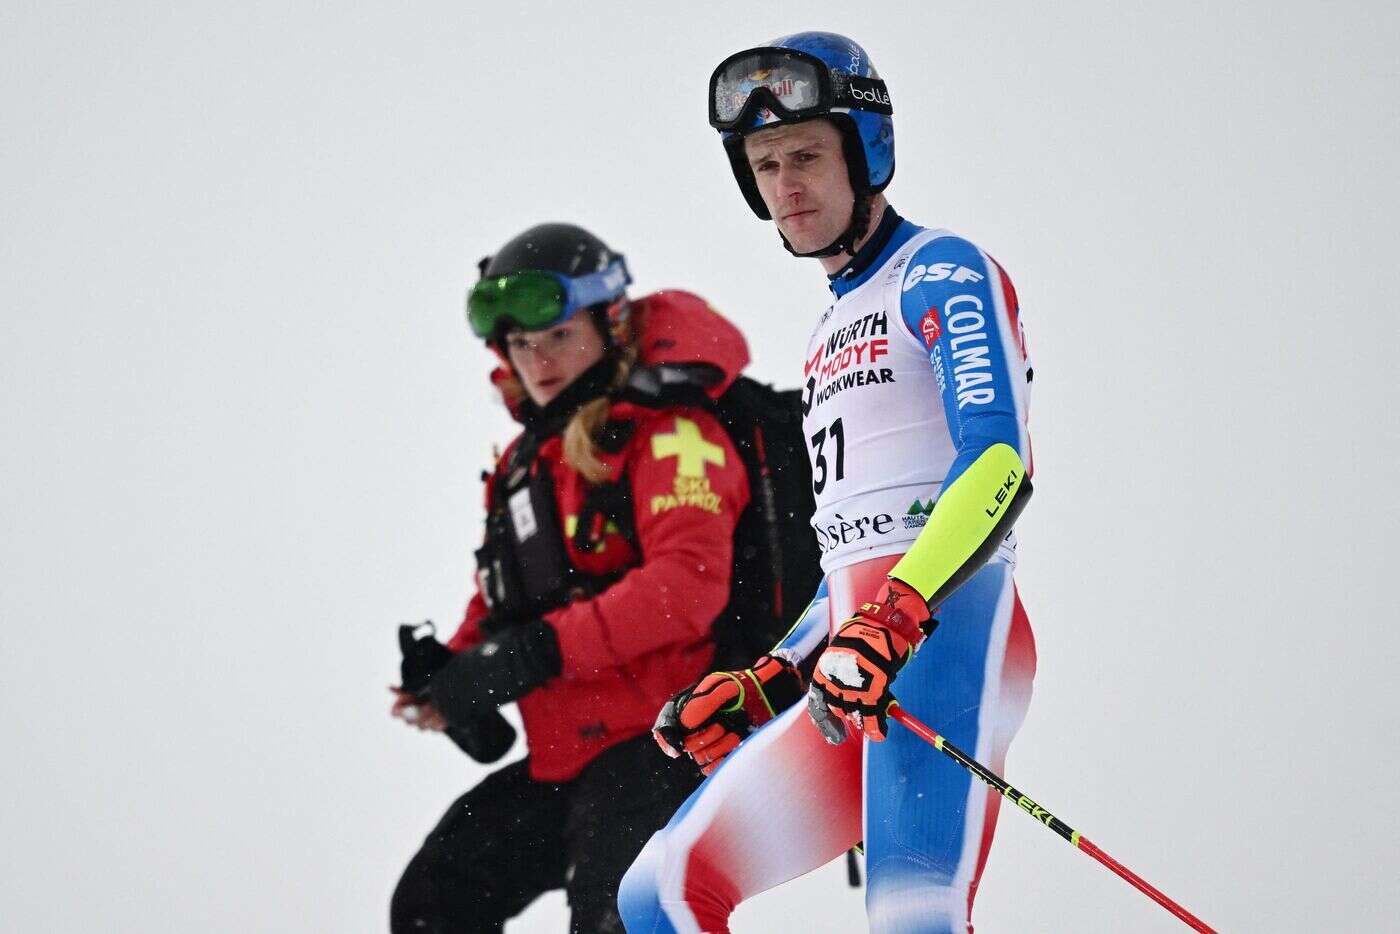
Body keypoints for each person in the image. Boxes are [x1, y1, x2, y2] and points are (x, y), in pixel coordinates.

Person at [620, 32, 1037, 933]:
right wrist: (774, 674)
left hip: (951, 633)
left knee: (910, 917)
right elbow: (852, 543)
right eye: (764, 165)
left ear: (866, 149)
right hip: (863, 654)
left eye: (805, 155)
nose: (786, 186)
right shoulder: (826, 330)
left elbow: (999, 464)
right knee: (660, 892)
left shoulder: (941, 268)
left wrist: (898, 613)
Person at [390, 223, 755, 934]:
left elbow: (687, 587)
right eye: (521, 346)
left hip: (664, 742)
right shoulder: (530, 464)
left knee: (620, 920)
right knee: (433, 904)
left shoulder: (672, 432)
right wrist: (452, 673)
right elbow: (503, 603)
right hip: (568, 756)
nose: (538, 360)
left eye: (557, 335)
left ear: (609, 322)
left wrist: (533, 654)